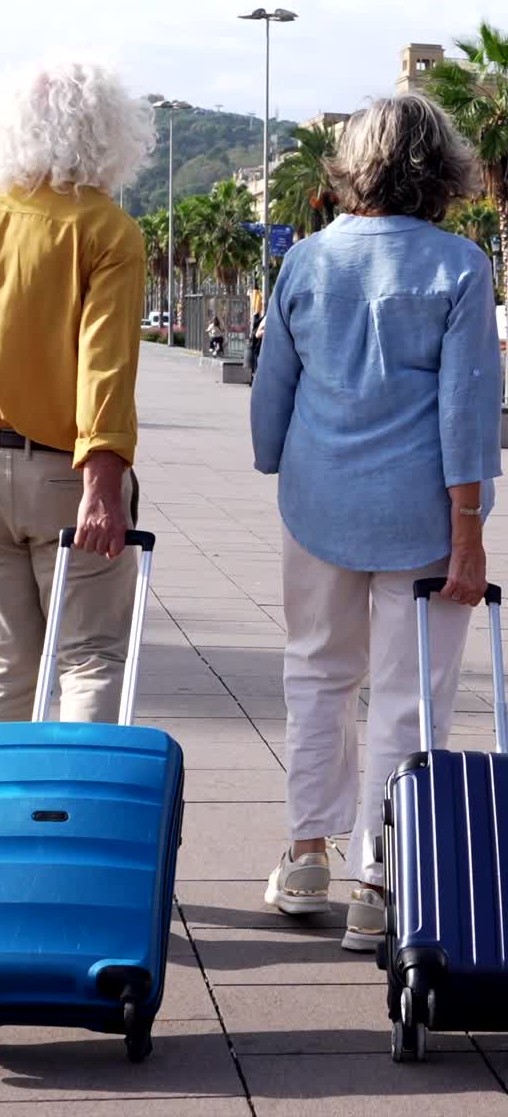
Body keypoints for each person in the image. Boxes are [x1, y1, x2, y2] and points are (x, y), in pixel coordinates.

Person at [251, 95, 502, 952]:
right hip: (427, 515)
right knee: (413, 695)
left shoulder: (307, 261)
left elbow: (270, 394)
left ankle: (306, 853)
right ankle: (382, 880)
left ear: (354, 167)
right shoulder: (460, 266)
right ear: (444, 170)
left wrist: (285, 464)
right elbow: (468, 411)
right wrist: (469, 534)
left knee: (317, 674)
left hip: (318, 502)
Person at [0, 61, 155, 725]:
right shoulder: (104, 230)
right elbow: (106, 368)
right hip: (67, 475)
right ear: (108, 133)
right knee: (90, 657)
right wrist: (104, 483)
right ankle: (74, 819)